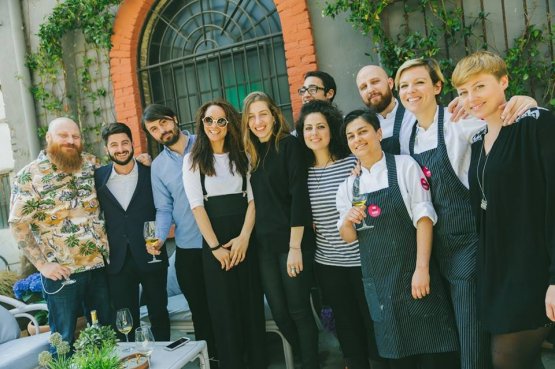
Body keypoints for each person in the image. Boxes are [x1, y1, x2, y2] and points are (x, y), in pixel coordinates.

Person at [452, 50, 555, 369]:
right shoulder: (476, 139)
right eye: (463, 91)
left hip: (533, 269)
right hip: (497, 273)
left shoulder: (536, 124)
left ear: (504, 81)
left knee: (508, 362)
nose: (472, 97)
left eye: (480, 86)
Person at [337, 109, 459, 368]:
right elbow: (348, 238)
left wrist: (422, 269)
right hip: (381, 289)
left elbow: (424, 217)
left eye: (363, 131)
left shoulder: (405, 166)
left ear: (378, 133)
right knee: (398, 359)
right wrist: (347, 219)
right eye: (350, 136)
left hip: (415, 276)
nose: (357, 139)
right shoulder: (350, 187)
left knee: (434, 355)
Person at [395, 58, 492, 369]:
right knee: (450, 334)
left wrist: (524, 101)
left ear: (437, 87)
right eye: (404, 86)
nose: (411, 90)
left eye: (419, 82)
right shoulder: (405, 134)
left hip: (467, 243)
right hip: (433, 251)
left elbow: (504, 120)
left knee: (471, 332)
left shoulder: (458, 121)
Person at [296, 100, 387, 369]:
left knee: (372, 320)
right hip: (328, 262)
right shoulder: (302, 172)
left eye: (320, 127)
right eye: (308, 128)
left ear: (332, 129)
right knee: (345, 323)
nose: (314, 133)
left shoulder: (353, 162)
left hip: (362, 258)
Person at [9, 117, 112, 346]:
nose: (70, 141)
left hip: (97, 267)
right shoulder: (30, 176)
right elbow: (18, 223)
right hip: (61, 273)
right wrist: (43, 265)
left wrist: (140, 161)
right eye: (63, 136)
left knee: (105, 333)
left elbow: (118, 175)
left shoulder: (90, 164)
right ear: (49, 138)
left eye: (75, 136)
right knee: (63, 339)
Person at [182, 100, 266, 369]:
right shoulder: (193, 160)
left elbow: (254, 201)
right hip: (215, 244)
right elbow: (197, 207)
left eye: (221, 120)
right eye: (209, 120)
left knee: (250, 307)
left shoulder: (245, 155)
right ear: (201, 124)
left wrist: (244, 238)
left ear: (230, 123)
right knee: (225, 312)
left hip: (245, 239)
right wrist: (217, 247)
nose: (214, 126)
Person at [242, 91, 319, 369]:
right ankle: (308, 356)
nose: (258, 121)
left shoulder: (289, 145)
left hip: (292, 242)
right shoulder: (250, 154)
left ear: (274, 114)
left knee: (299, 310)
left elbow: (300, 197)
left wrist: (296, 248)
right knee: (279, 312)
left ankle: (310, 363)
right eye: (251, 117)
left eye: (263, 114)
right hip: (264, 247)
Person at [142, 104, 218, 365]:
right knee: (201, 313)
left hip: (222, 242)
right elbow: (164, 208)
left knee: (227, 306)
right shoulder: (159, 166)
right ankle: (213, 362)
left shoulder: (205, 142)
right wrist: (161, 237)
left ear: (174, 119)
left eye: (163, 123)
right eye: (153, 129)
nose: (161, 130)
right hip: (189, 247)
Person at [95, 122, 170, 341]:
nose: (120, 149)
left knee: (159, 313)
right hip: (118, 260)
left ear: (132, 144)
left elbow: (164, 207)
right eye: (114, 145)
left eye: (125, 143)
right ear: (107, 149)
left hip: (151, 254)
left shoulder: (151, 172)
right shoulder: (98, 178)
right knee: (125, 320)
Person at [356, 65, 536, 155]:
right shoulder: (363, 129)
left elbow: (495, 120)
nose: (370, 89)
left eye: (374, 82)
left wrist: (526, 103)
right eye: (363, 87)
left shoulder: (453, 116)